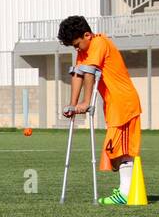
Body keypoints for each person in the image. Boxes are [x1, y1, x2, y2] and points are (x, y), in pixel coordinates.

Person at [57, 16, 143, 204]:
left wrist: (86, 101)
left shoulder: (98, 43)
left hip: (124, 102)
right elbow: (78, 74)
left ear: (87, 35)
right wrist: (73, 104)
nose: (77, 49)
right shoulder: (84, 49)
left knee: (122, 149)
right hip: (113, 103)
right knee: (114, 150)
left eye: (77, 44)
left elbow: (90, 72)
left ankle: (125, 193)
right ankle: (125, 189)